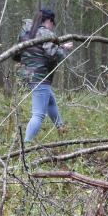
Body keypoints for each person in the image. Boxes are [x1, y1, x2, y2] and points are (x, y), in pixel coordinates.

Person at [14, 8, 73, 142]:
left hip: (27, 76)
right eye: (53, 24)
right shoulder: (45, 33)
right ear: (49, 21)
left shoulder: (25, 32)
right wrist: (64, 48)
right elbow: (54, 54)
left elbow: (16, 54)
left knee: (50, 102)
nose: (53, 27)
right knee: (38, 114)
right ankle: (26, 147)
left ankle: (61, 129)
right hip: (40, 77)